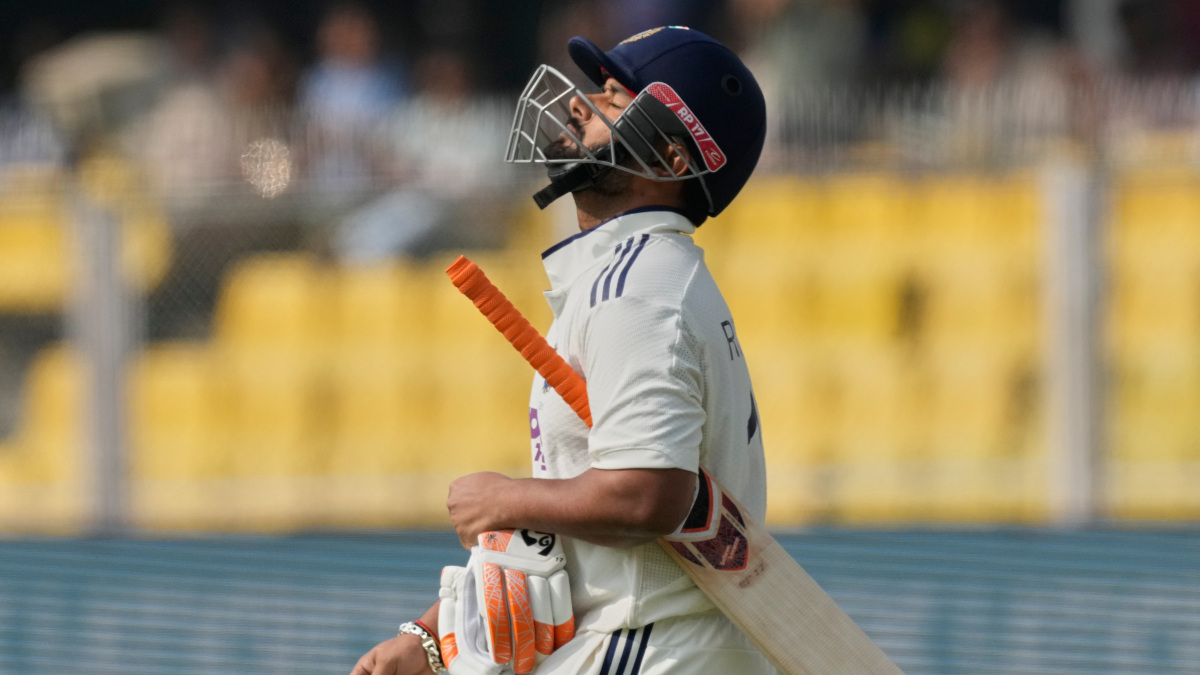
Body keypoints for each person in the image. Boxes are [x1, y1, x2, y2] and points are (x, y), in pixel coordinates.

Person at [350, 26, 772, 675]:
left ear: (673, 156)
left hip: (650, 644)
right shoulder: (637, 277)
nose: (581, 102)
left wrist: (504, 497)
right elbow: (589, 507)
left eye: (615, 96)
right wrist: (434, 638)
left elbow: (647, 495)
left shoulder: (636, 292)